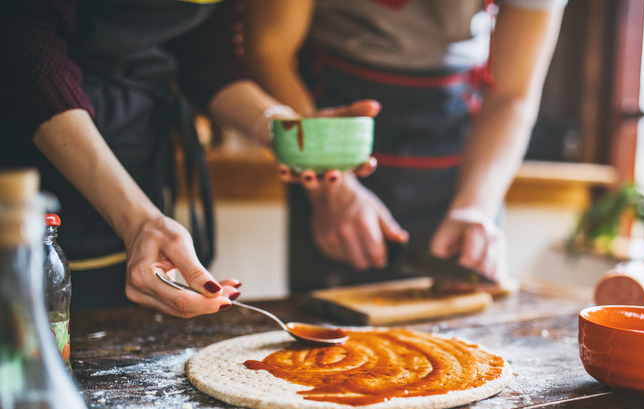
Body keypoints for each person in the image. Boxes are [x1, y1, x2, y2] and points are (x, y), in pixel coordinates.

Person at [0, 0, 375, 317]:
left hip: (136, 143)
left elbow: (207, 53)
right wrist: (138, 218)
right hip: (26, 159)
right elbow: (24, 46)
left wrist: (286, 131)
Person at [243, 0, 567, 292]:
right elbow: (269, 53)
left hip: (462, 152)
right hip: (328, 128)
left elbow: (513, 95)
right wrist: (328, 182)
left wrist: (476, 206)